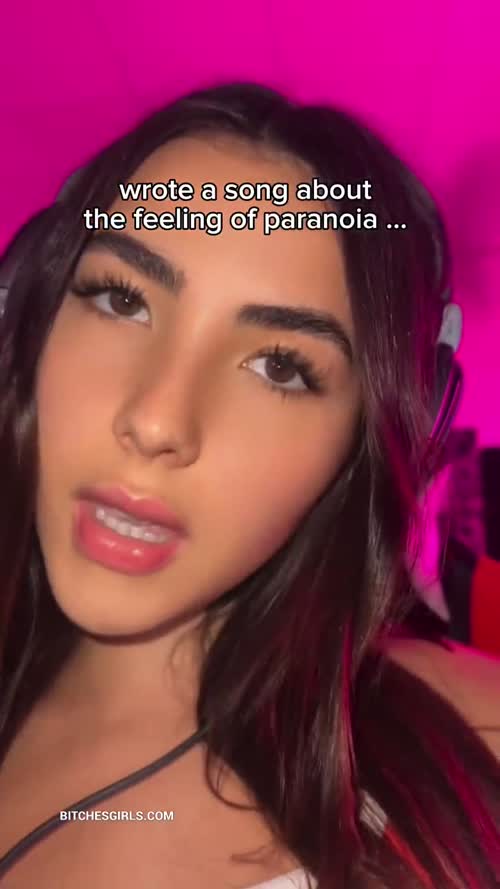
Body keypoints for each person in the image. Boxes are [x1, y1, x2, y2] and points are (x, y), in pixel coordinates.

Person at [0, 82, 498, 889]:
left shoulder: (474, 743)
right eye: (121, 299)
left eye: (280, 367)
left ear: (364, 443)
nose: (156, 422)